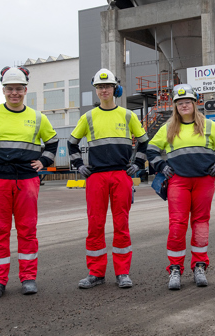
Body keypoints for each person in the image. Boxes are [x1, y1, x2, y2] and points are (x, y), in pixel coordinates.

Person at [0, 66, 58, 299]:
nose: (14, 93)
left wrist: (44, 161)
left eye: (18, 89)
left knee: (27, 231)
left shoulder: (37, 117)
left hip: (26, 180)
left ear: (26, 90)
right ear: (3, 90)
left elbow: (53, 141)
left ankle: (28, 278)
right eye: (9, 89)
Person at [68, 68, 149, 289]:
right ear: (96, 90)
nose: (104, 90)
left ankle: (122, 272)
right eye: (100, 87)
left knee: (121, 224)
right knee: (95, 224)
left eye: (108, 86)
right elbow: (71, 143)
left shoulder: (127, 115)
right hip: (96, 177)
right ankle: (96, 273)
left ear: (115, 88)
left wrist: (137, 164)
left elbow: (144, 141)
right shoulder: (88, 117)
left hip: (121, 175)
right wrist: (78, 165)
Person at [147, 84, 215, 290]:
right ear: (175, 106)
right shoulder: (168, 127)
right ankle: (175, 268)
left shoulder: (209, 125)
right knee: (177, 224)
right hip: (179, 181)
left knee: (201, 223)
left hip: (204, 180)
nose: (184, 105)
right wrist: (161, 165)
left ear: (195, 104)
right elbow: (151, 149)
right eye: (180, 103)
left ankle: (199, 265)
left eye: (187, 102)